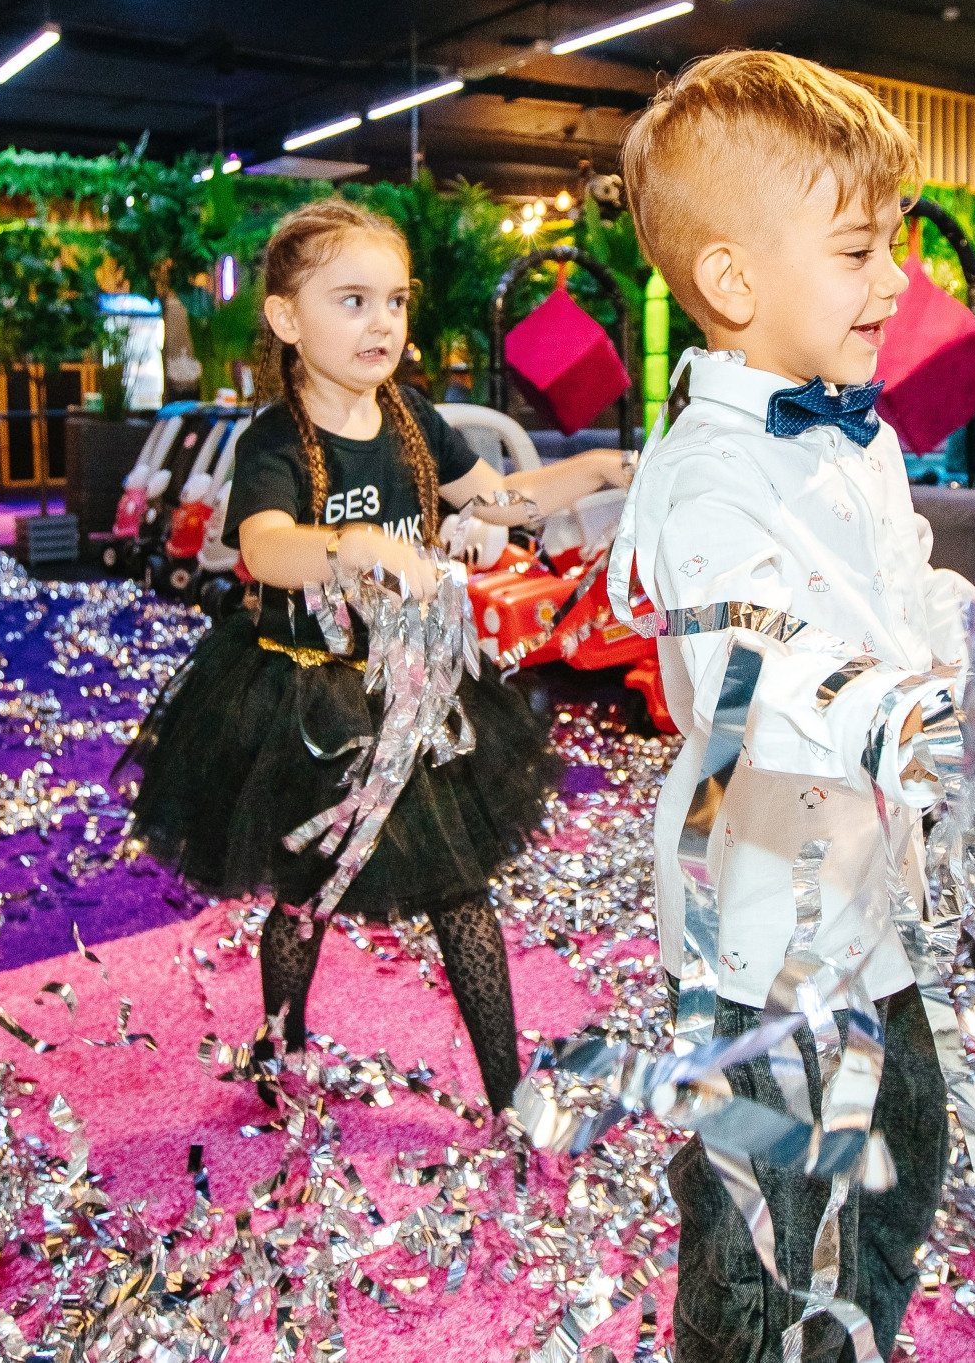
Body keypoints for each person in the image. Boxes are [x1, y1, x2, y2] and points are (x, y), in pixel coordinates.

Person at [610, 51, 975, 1363]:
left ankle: (851, 1321)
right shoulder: (706, 472)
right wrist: (916, 721)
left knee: (907, 1132)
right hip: (760, 912)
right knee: (779, 1205)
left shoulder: (857, 429)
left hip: (865, 884)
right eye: (860, 250)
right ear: (736, 280)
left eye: (895, 243)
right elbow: (780, 651)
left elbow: (898, 583)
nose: (898, 278)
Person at [120, 198, 632, 1117]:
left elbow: (499, 498)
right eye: (352, 300)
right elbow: (267, 546)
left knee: (460, 888)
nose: (382, 322)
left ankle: (510, 1090)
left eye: (394, 301)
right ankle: (280, 1045)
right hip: (310, 700)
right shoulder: (274, 438)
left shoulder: (414, 420)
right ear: (286, 317)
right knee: (307, 897)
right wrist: (350, 542)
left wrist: (591, 469)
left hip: (415, 696)